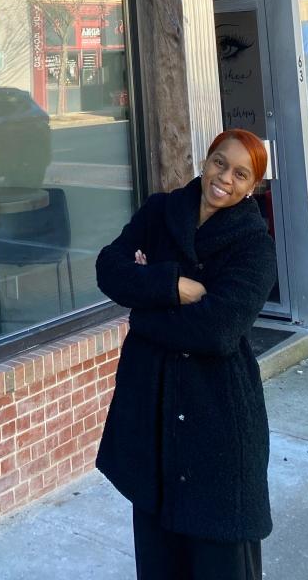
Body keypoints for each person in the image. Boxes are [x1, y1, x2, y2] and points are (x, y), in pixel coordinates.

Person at [95, 129, 277, 580]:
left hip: (218, 416)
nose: (224, 178)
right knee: (159, 554)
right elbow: (108, 268)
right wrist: (169, 286)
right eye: (219, 162)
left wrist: (143, 315)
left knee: (221, 557)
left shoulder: (255, 246)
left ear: (251, 186)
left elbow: (218, 330)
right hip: (152, 408)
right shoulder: (161, 211)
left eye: (240, 174)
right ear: (205, 159)